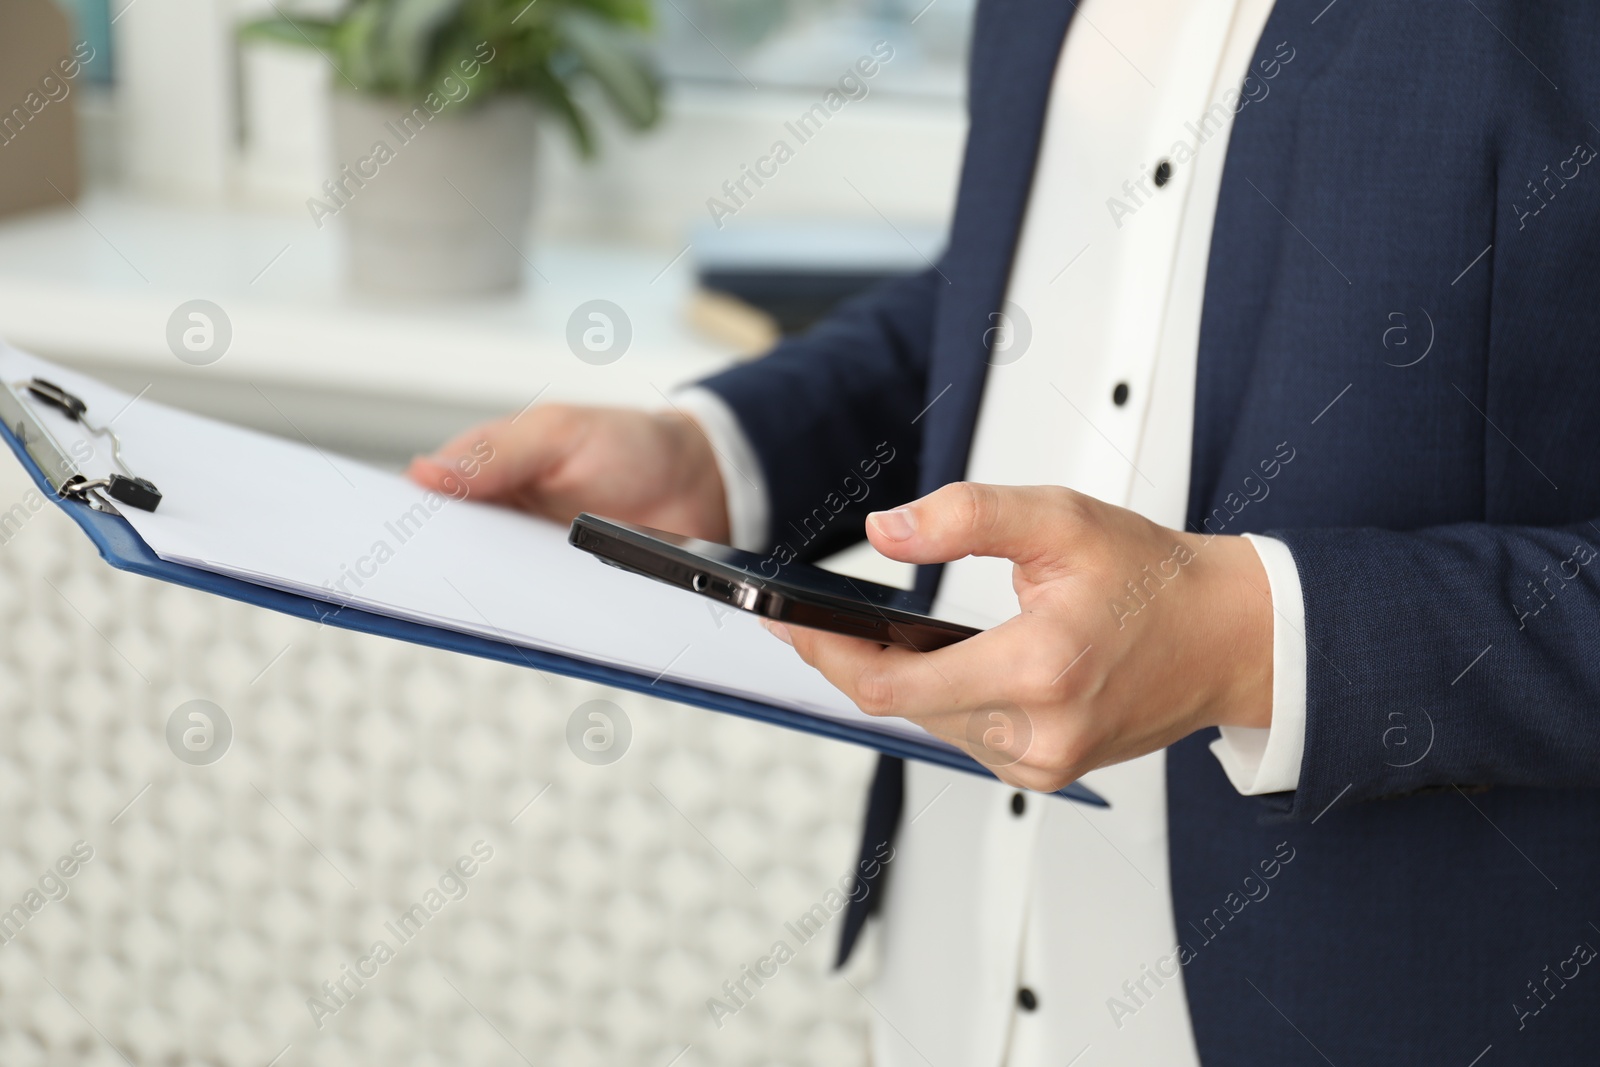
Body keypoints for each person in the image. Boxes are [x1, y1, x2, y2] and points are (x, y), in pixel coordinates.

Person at [410, 0, 1600, 1061]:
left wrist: (1256, 639)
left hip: (1389, 997)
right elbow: (1024, 285)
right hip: (952, 965)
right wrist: (726, 452)